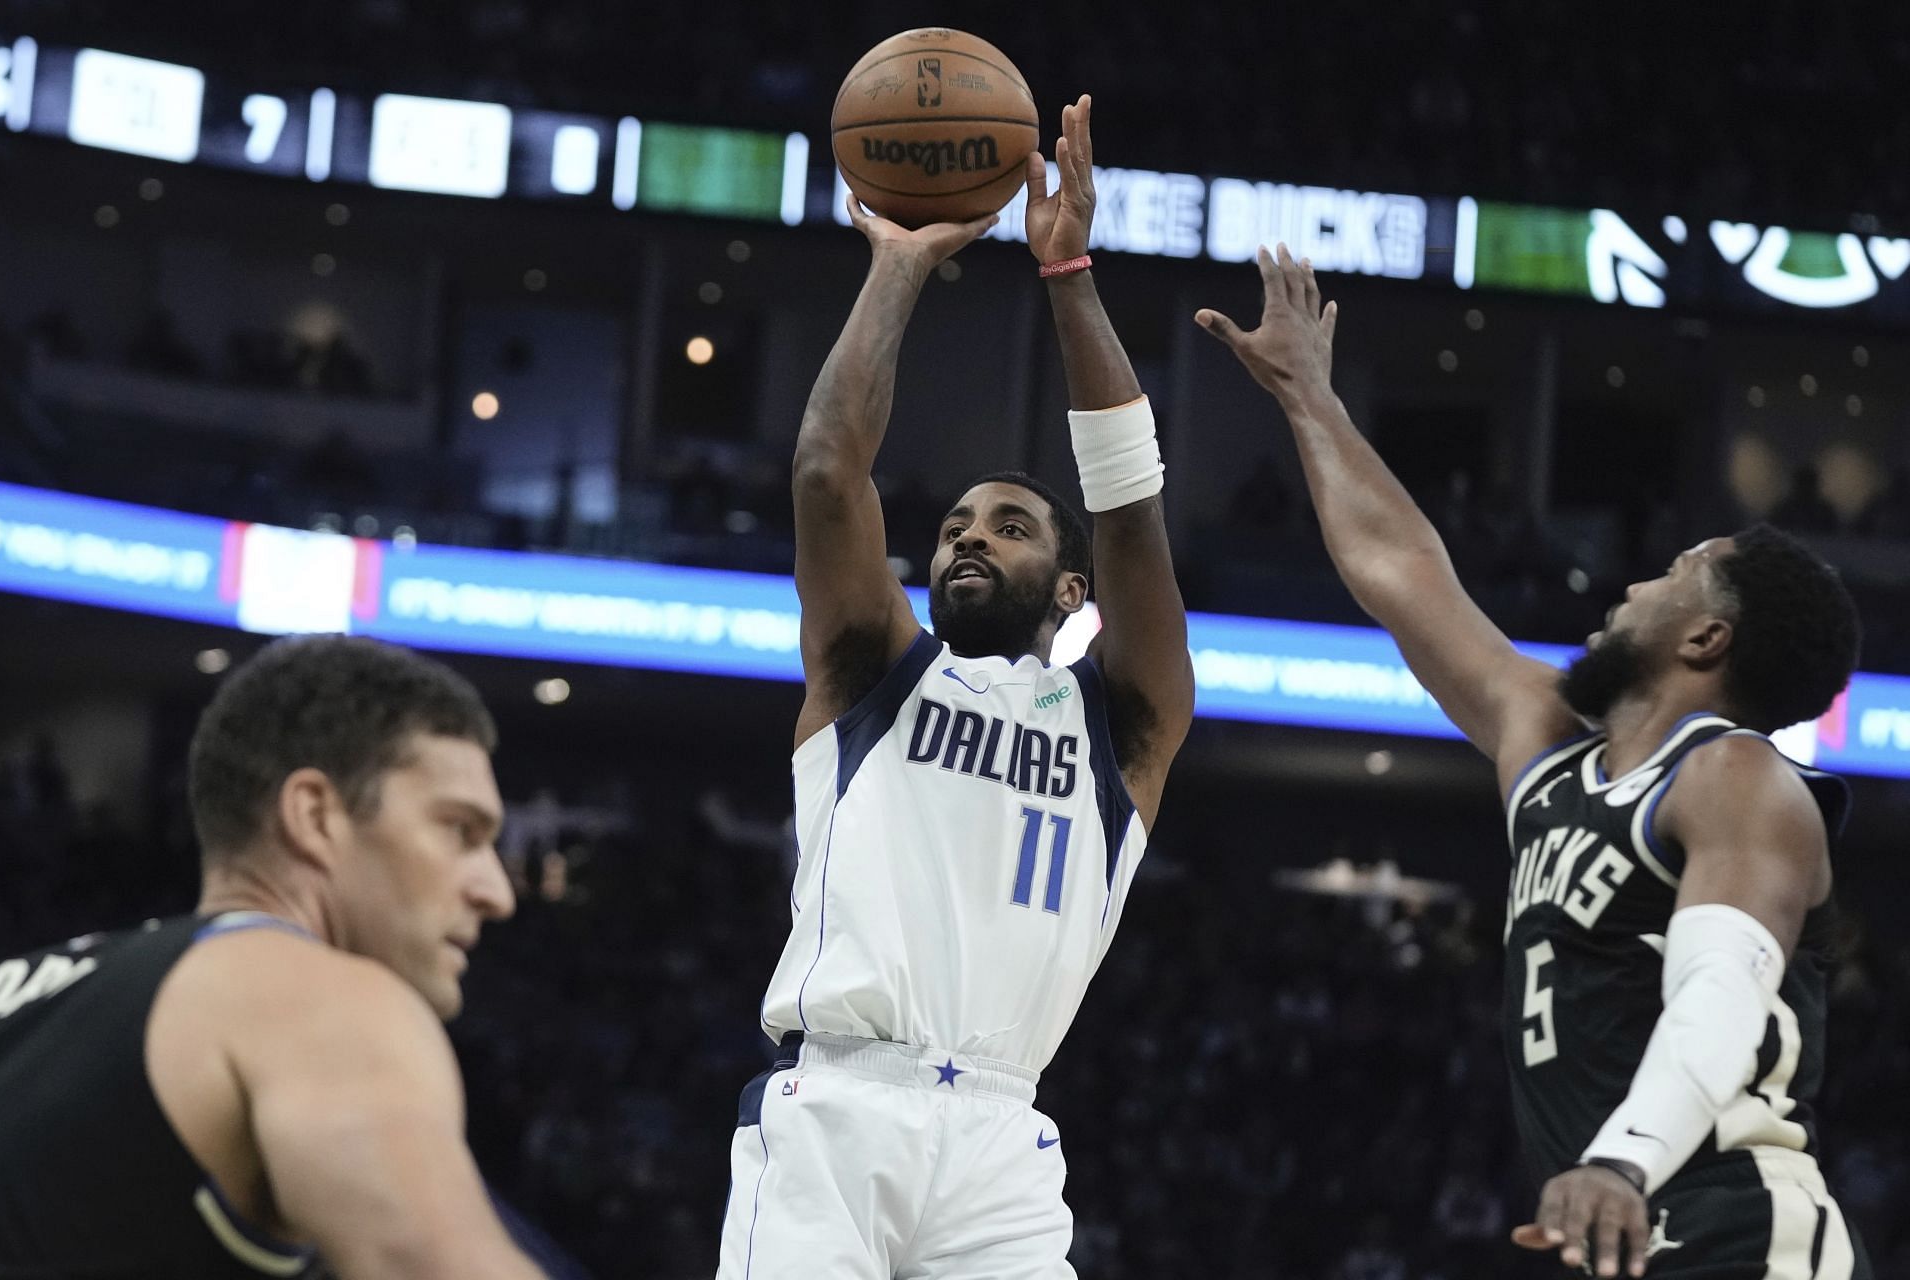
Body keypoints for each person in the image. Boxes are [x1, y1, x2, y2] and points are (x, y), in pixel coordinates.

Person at [1196, 245, 1869, 1279]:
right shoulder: (1550, 746)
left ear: (1706, 640)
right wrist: (1309, 401)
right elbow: (1402, 569)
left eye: (1676, 573)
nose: (1636, 583)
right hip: (1620, 1227)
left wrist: (1624, 1162)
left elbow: (1718, 996)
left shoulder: (1737, 777)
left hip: (1734, 1221)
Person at [718, 96, 1196, 1279]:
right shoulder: (874, 671)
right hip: (837, 1109)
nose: (968, 540)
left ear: (1073, 587)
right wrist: (897, 265)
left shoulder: (1121, 728)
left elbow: (1134, 511)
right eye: (952, 527)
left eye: (1012, 526)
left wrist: (1068, 275)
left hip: (1002, 1138)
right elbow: (830, 471)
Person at [0, 635, 550, 1280]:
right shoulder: (317, 997)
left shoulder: (26, 993)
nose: (497, 892)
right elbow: (421, 1265)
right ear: (315, 816)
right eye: (460, 830)